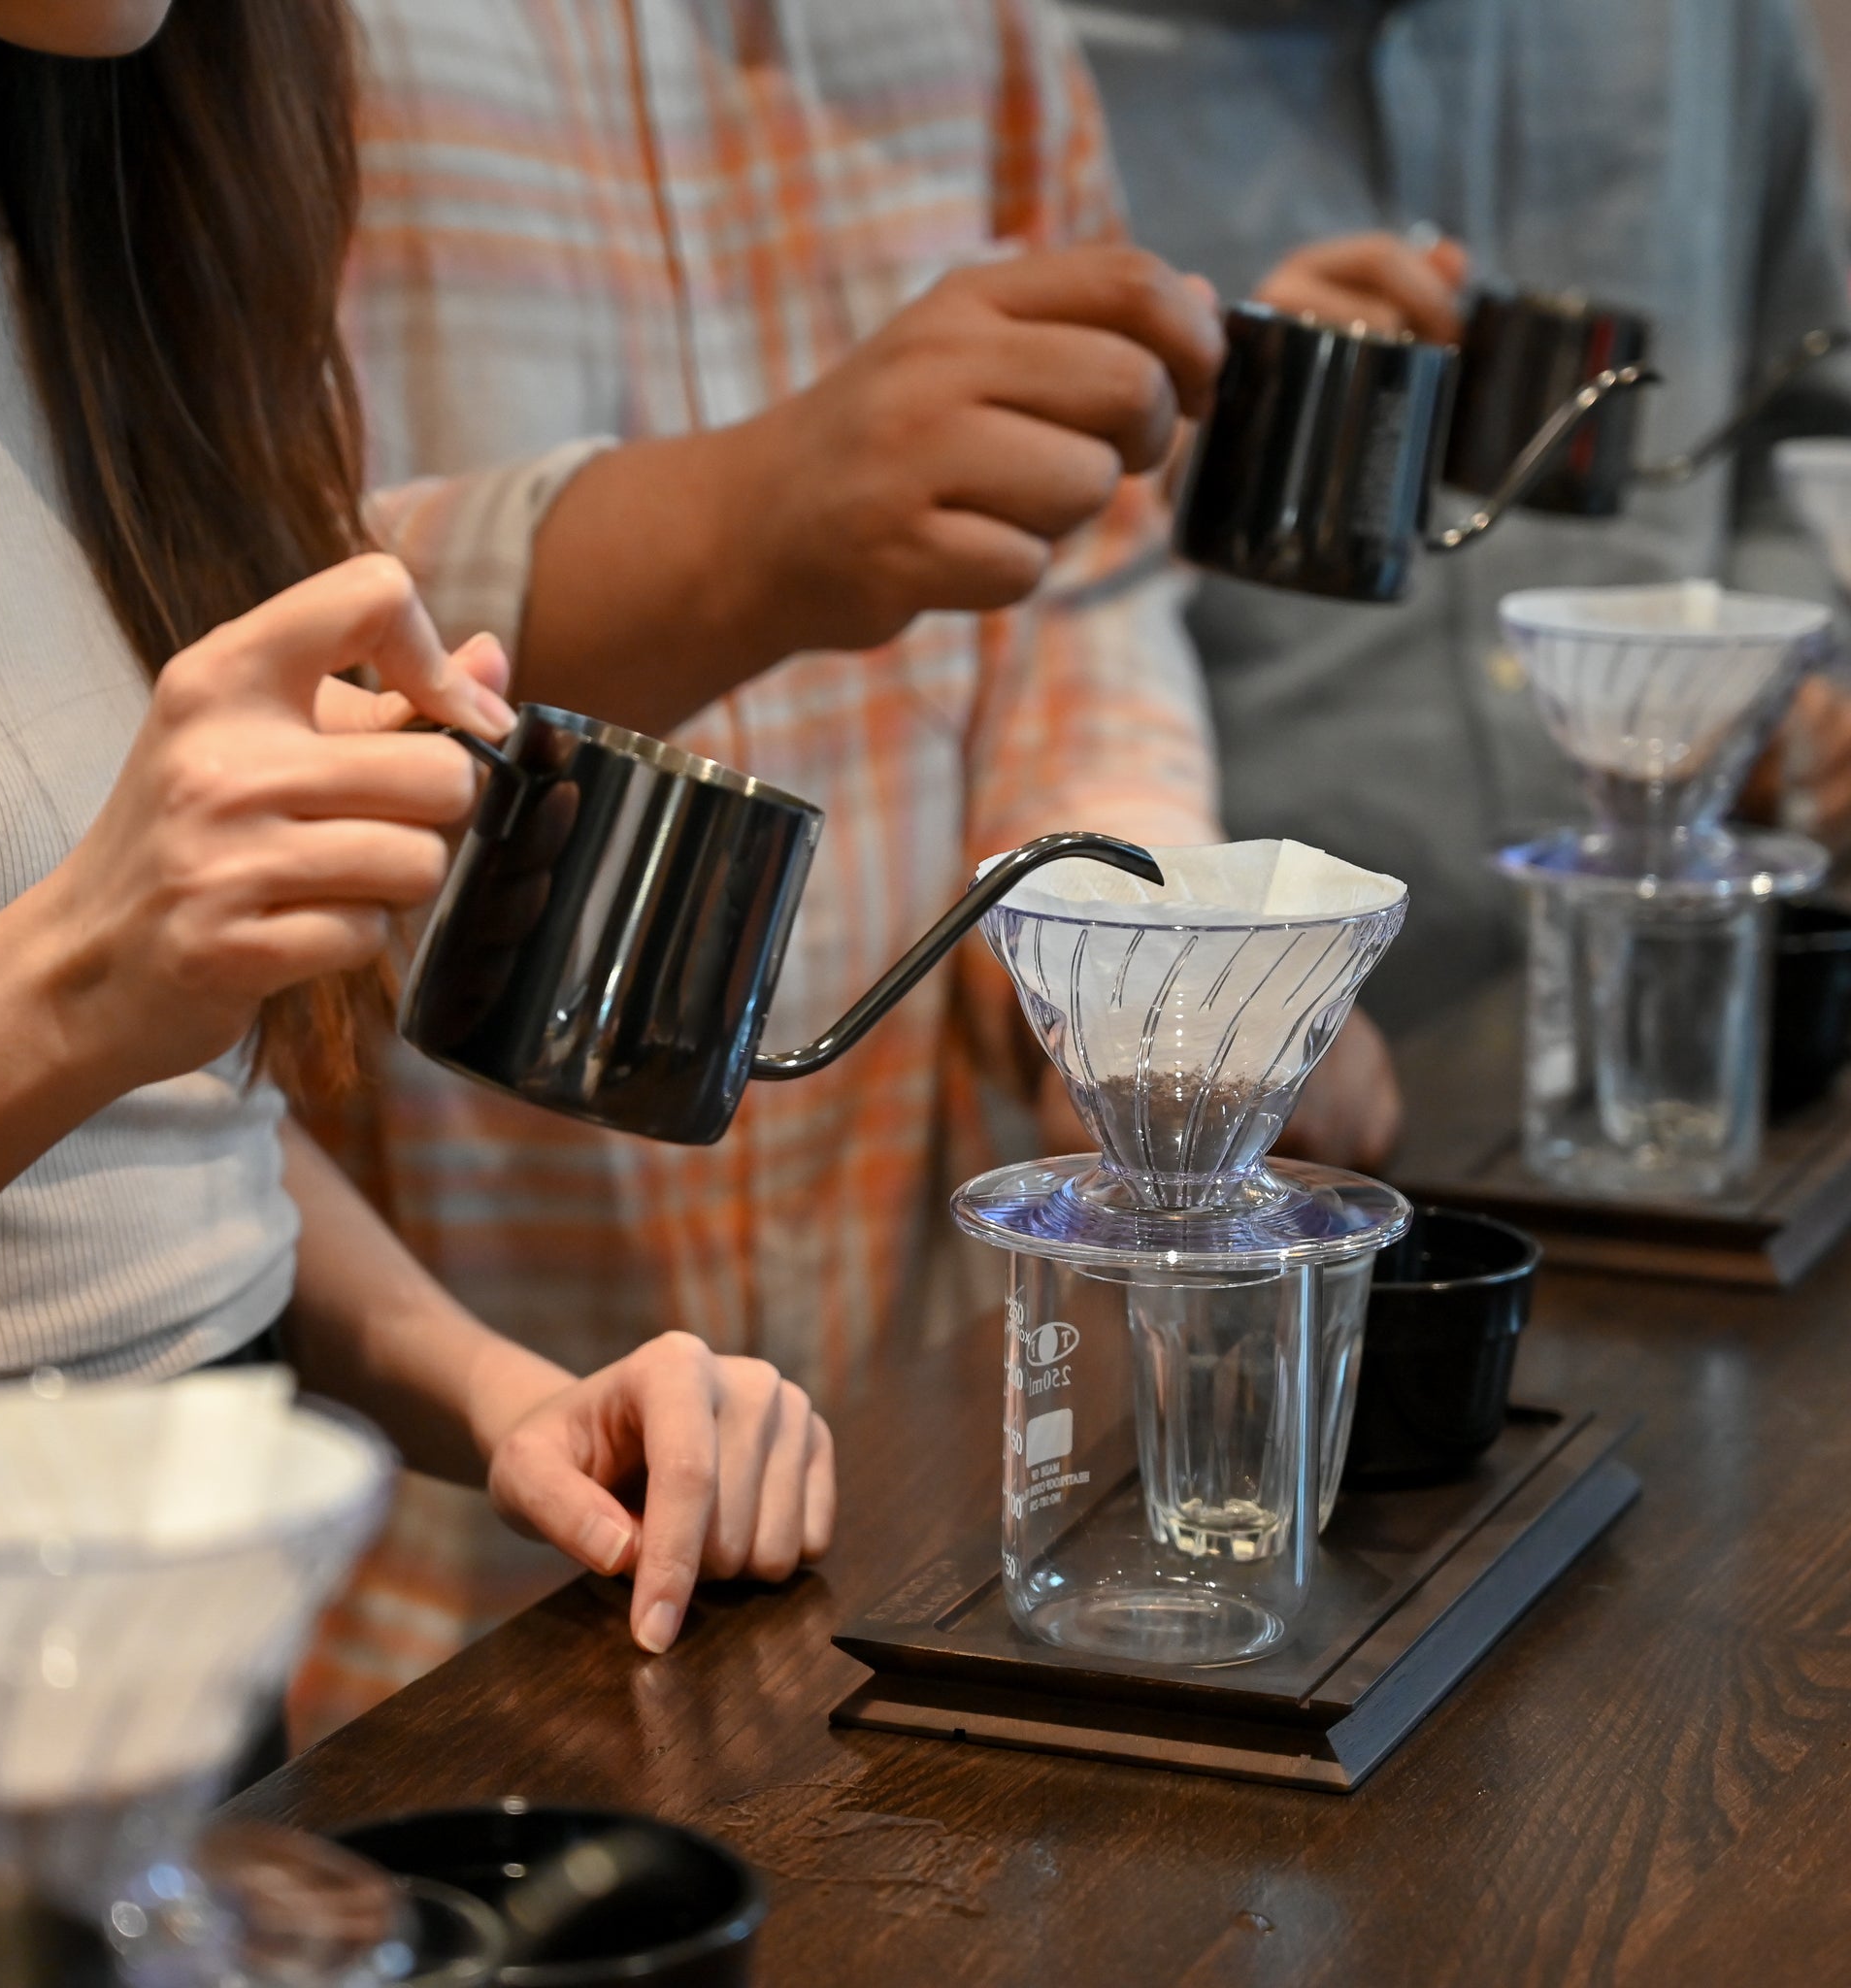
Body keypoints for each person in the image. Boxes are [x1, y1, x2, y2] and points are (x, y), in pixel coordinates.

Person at [284, 0, 1402, 1736]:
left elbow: (1079, 600)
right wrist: (754, 520)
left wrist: (1121, 978)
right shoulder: (273, 46)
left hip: (903, 1456)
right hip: (431, 1523)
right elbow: (224, 609)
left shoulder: (984, 38)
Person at [0, 0, 842, 1666]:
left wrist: (508, 1396)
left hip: (183, 1663)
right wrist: (85, 966)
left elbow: (138, 1159)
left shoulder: (103, 249)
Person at [1077, 0, 1851, 1032]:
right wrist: (1213, 447)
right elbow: (1031, 618)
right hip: (1264, 1017)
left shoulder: (1707, 24)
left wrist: (1784, 690)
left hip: (1689, 991)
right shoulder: (1037, 62)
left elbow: (1801, 429)